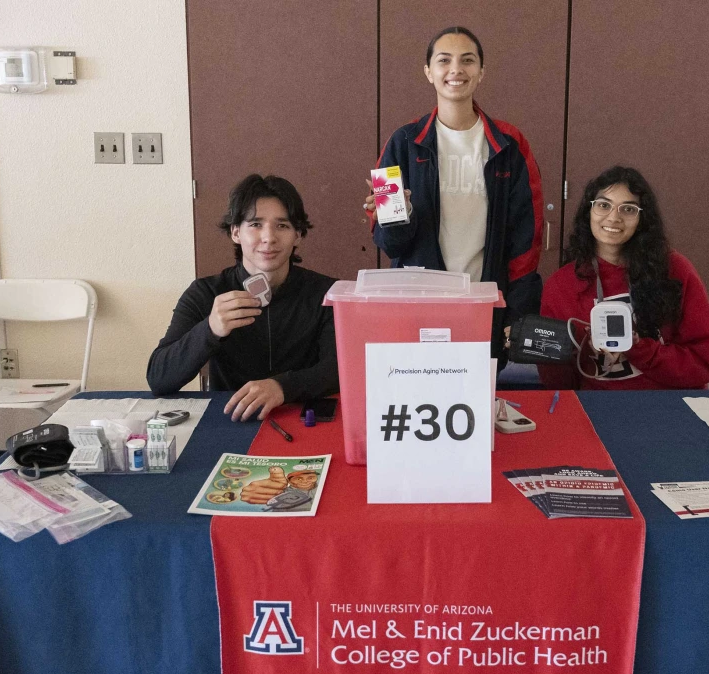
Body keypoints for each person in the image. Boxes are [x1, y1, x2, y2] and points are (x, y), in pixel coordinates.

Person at [365, 25, 543, 355]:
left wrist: (518, 314)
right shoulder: (402, 142)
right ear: (429, 72)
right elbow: (391, 245)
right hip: (417, 307)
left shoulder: (509, 143)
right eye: (444, 60)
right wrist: (398, 216)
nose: (456, 70)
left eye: (468, 60)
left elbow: (526, 237)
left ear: (481, 72)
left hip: (484, 304)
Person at [147, 174, 338, 420]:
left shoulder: (326, 293)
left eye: (282, 225)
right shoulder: (206, 293)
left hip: (303, 417)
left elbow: (339, 368)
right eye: (255, 224)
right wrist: (210, 329)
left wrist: (282, 386)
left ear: (298, 235)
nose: (269, 237)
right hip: (230, 419)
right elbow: (159, 378)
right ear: (236, 232)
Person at [539, 166, 709, 390]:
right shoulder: (561, 285)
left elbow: (704, 365)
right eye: (604, 205)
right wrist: (574, 350)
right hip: (597, 409)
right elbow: (558, 384)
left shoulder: (676, 270)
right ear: (589, 212)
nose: (614, 218)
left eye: (628, 209)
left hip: (667, 407)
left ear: (642, 218)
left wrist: (637, 348)